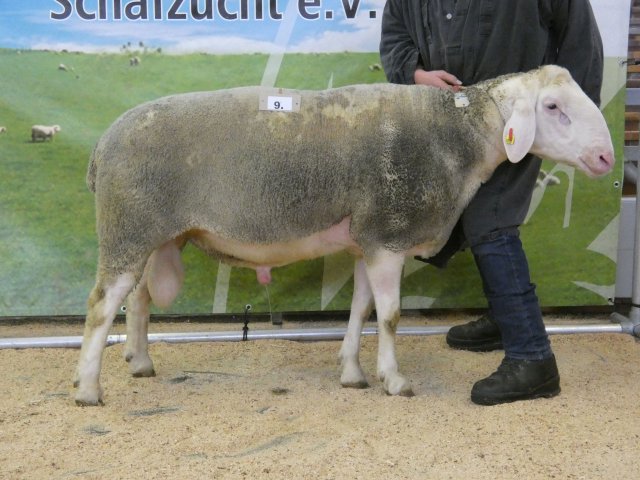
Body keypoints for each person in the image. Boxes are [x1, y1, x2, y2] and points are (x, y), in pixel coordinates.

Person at [379, 0, 604, 405]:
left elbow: (578, 35)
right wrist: (415, 74)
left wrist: (578, 119)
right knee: (468, 215)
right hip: (447, 121)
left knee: (491, 218)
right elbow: (396, 30)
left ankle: (532, 358)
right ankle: (505, 320)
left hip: (515, 119)